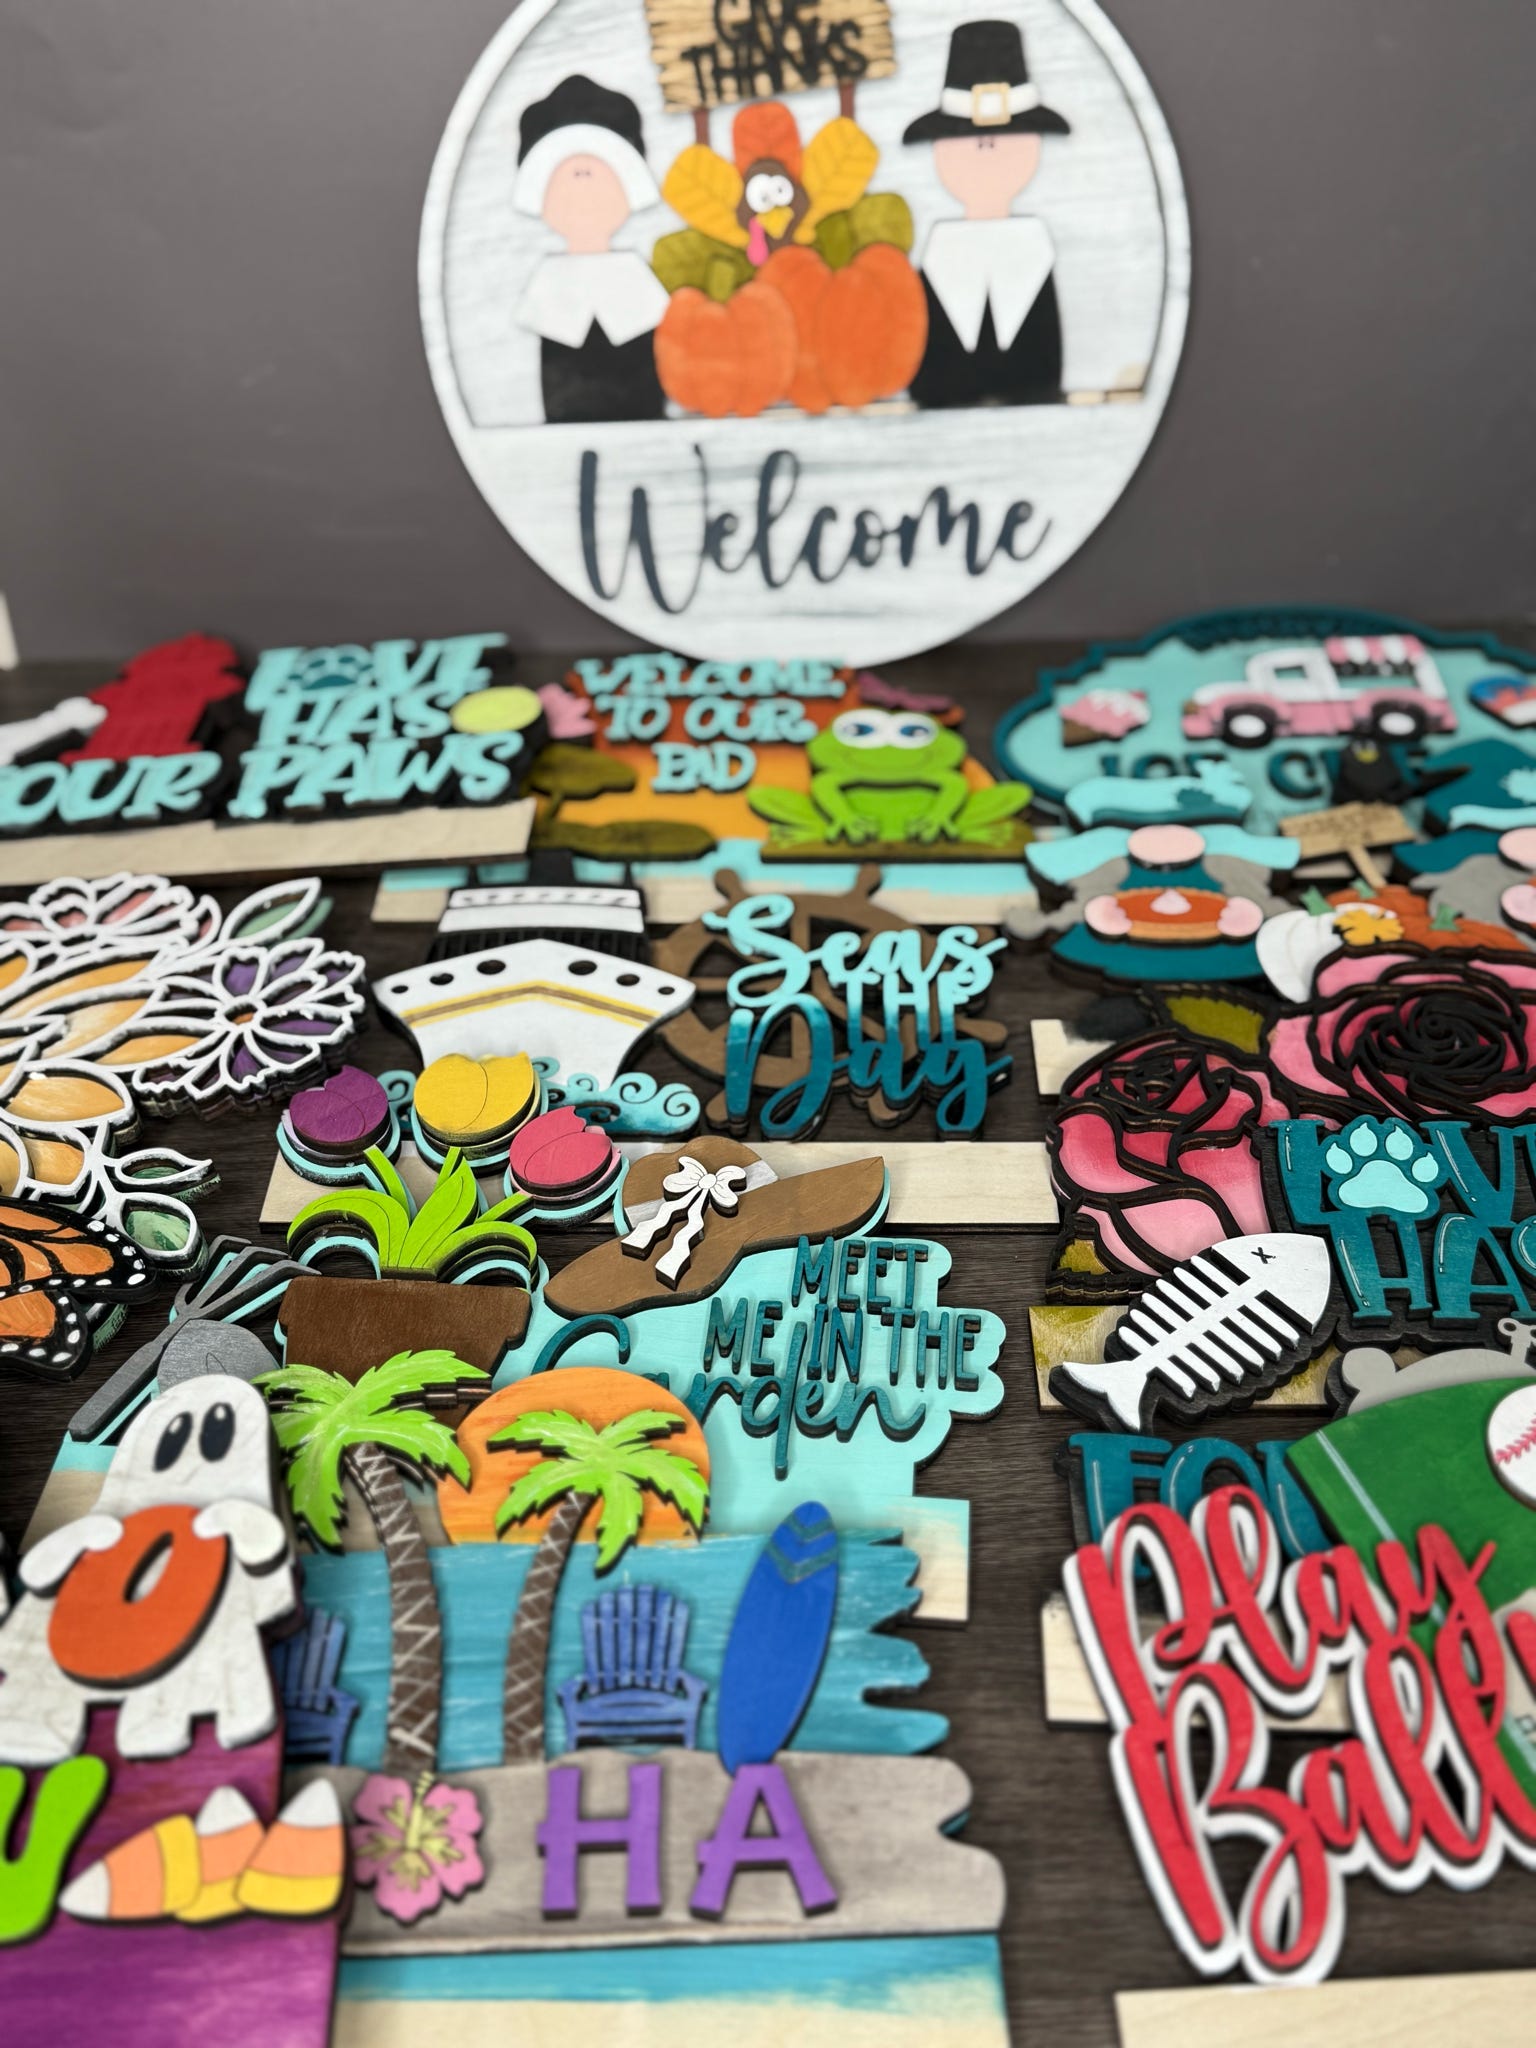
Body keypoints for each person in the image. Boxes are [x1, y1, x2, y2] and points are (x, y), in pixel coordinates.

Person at [902, 20, 1070, 408]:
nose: (987, 149)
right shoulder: (940, 251)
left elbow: (1044, 361)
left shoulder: (1033, 248)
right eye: (974, 141)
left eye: (1000, 140)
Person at [514, 75, 670, 423]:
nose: (583, 193)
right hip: (566, 415)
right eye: (565, 180)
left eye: (600, 177)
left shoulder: (632, 273)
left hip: (643, 415)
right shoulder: (551, 278)